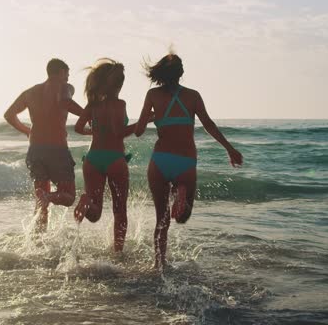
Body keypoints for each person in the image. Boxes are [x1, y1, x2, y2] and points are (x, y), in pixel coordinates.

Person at [135, 53, 243, 269]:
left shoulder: (153, 95)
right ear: (181, 73)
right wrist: (230, 149)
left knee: (161, 219)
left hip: (160, 160)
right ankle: (180, 190)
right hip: (185, 161)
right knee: (182, 216)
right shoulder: (193, 96)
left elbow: (138, 131)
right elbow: (209, 125)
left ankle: (159, 264)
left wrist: (156, 117)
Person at [4, 58, 84, 232]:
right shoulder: (65, 87)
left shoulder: (30, 92)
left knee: (41, 204)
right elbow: (64, 101)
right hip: (57, 149)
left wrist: (27, 131)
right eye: (67, 74)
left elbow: (9, 114)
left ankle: (37, 244)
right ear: (61, 72)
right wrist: (88, 115)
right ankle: (48, 196)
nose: (68, 79)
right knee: (69, 196)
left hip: (35, 150)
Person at [73, 59, 137, 252]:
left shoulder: (91, 105)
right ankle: (118, 252)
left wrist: (94, 133)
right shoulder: (120, 104)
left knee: (95, 213)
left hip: (93, 159)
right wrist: (144, 121)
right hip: (115, 159)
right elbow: (119, 132)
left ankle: (86, 201)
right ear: (119, 84)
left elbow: (77, 127)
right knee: (119, 210)